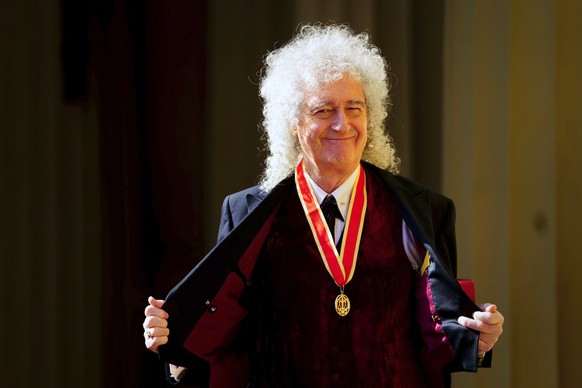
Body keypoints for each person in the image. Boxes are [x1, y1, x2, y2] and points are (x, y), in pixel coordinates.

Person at [143, 23, 504, 387]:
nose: (342, 123)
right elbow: (226, 335)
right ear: (293, 123)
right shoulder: (246, 213)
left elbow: (435, 333)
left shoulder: (424, 209)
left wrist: (477, 340)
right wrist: (173, 342)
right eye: (323, 110)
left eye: (354, 108)